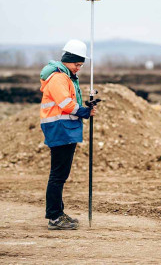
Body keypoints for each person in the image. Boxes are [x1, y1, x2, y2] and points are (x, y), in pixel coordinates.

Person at [39, 39, 96, 230]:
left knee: (61, 174)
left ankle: (58, 213)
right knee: (58, 175)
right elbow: (66, 104)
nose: (79, 68)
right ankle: (54, 217)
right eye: (77, 64)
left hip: (64, 129)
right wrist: (84, 111)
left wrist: (84, 109)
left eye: (81, 64)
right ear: (68, 60)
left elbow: (70, 102)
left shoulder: (66, 77)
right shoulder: (58, 78)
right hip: (59, 129)